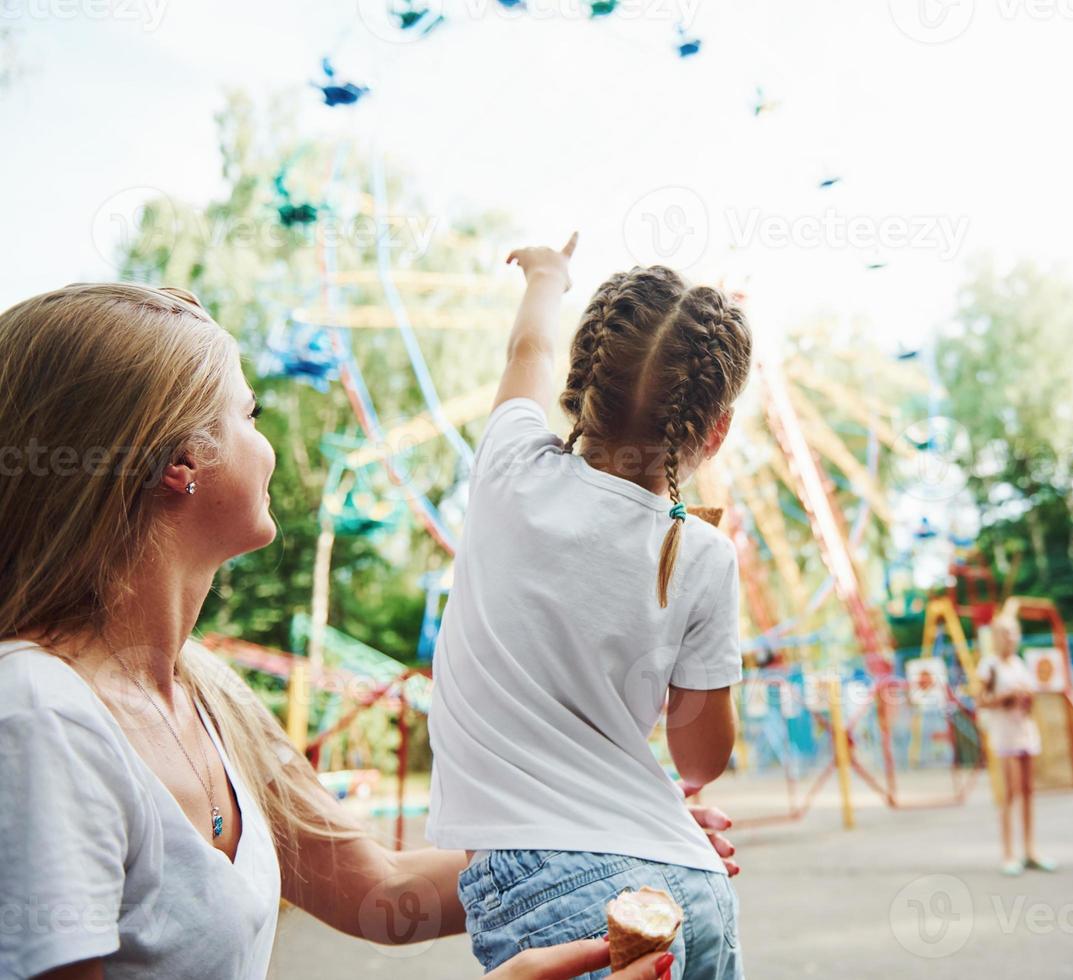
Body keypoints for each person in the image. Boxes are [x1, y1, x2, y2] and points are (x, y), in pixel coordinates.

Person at [0, 282, 735, 980]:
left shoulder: (208, 698)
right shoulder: (39, 714)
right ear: (181, 464)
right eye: (249, 414)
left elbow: (379, 894)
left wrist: (610, 842)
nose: (268, 445)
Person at [428, 237, 753, 979]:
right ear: (717, 430)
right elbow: (702, 760)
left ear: (578, 390)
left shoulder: (508, 470)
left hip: (556, 901)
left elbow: (529, 348)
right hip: (688, 884)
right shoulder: (702, 556)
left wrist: (548, 275)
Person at [979, 615, 1055, 876]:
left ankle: (1030, 850)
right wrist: (1006, 697)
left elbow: (1029, 701)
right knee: (1009, 793)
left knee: (1028, 793)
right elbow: (981, 700)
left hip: (1025, 732)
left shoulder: (1019, 664)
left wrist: (1026, 697)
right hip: (1005, 736)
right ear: (996, 637)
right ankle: (1008, 853)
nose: (1009, 638)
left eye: (1012, 633)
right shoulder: (989, 666)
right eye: (1004, 633)